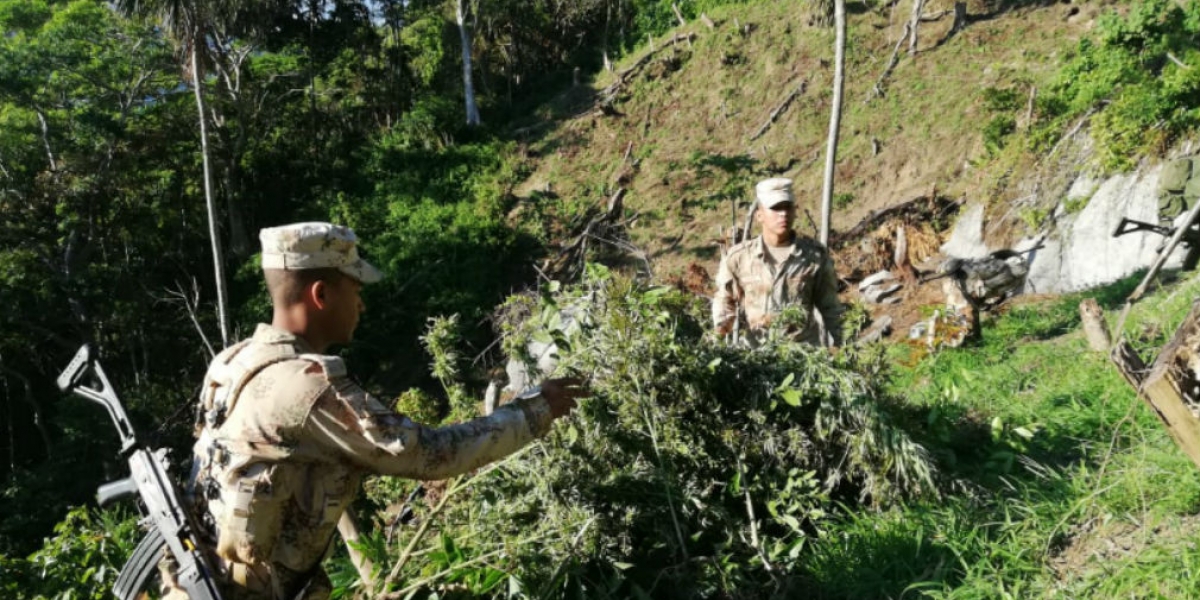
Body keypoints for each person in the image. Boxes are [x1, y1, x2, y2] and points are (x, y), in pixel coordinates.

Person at [172, 222, 586, 599]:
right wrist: (536, 410)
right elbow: (429, 453)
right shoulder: (308, 390)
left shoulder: (232, 361)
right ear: (321, 295)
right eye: (357, 290)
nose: (362, 305)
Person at [712, 178, 842, 346]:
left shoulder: (813, 256)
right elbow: (724, 298)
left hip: (805, 356)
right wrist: (720, 330)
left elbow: (830, 306)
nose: (783, 214)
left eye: (787, 207)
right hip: (758, 357)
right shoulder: (740, 257)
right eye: (775, 208)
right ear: (759, 215)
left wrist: (844, 346)